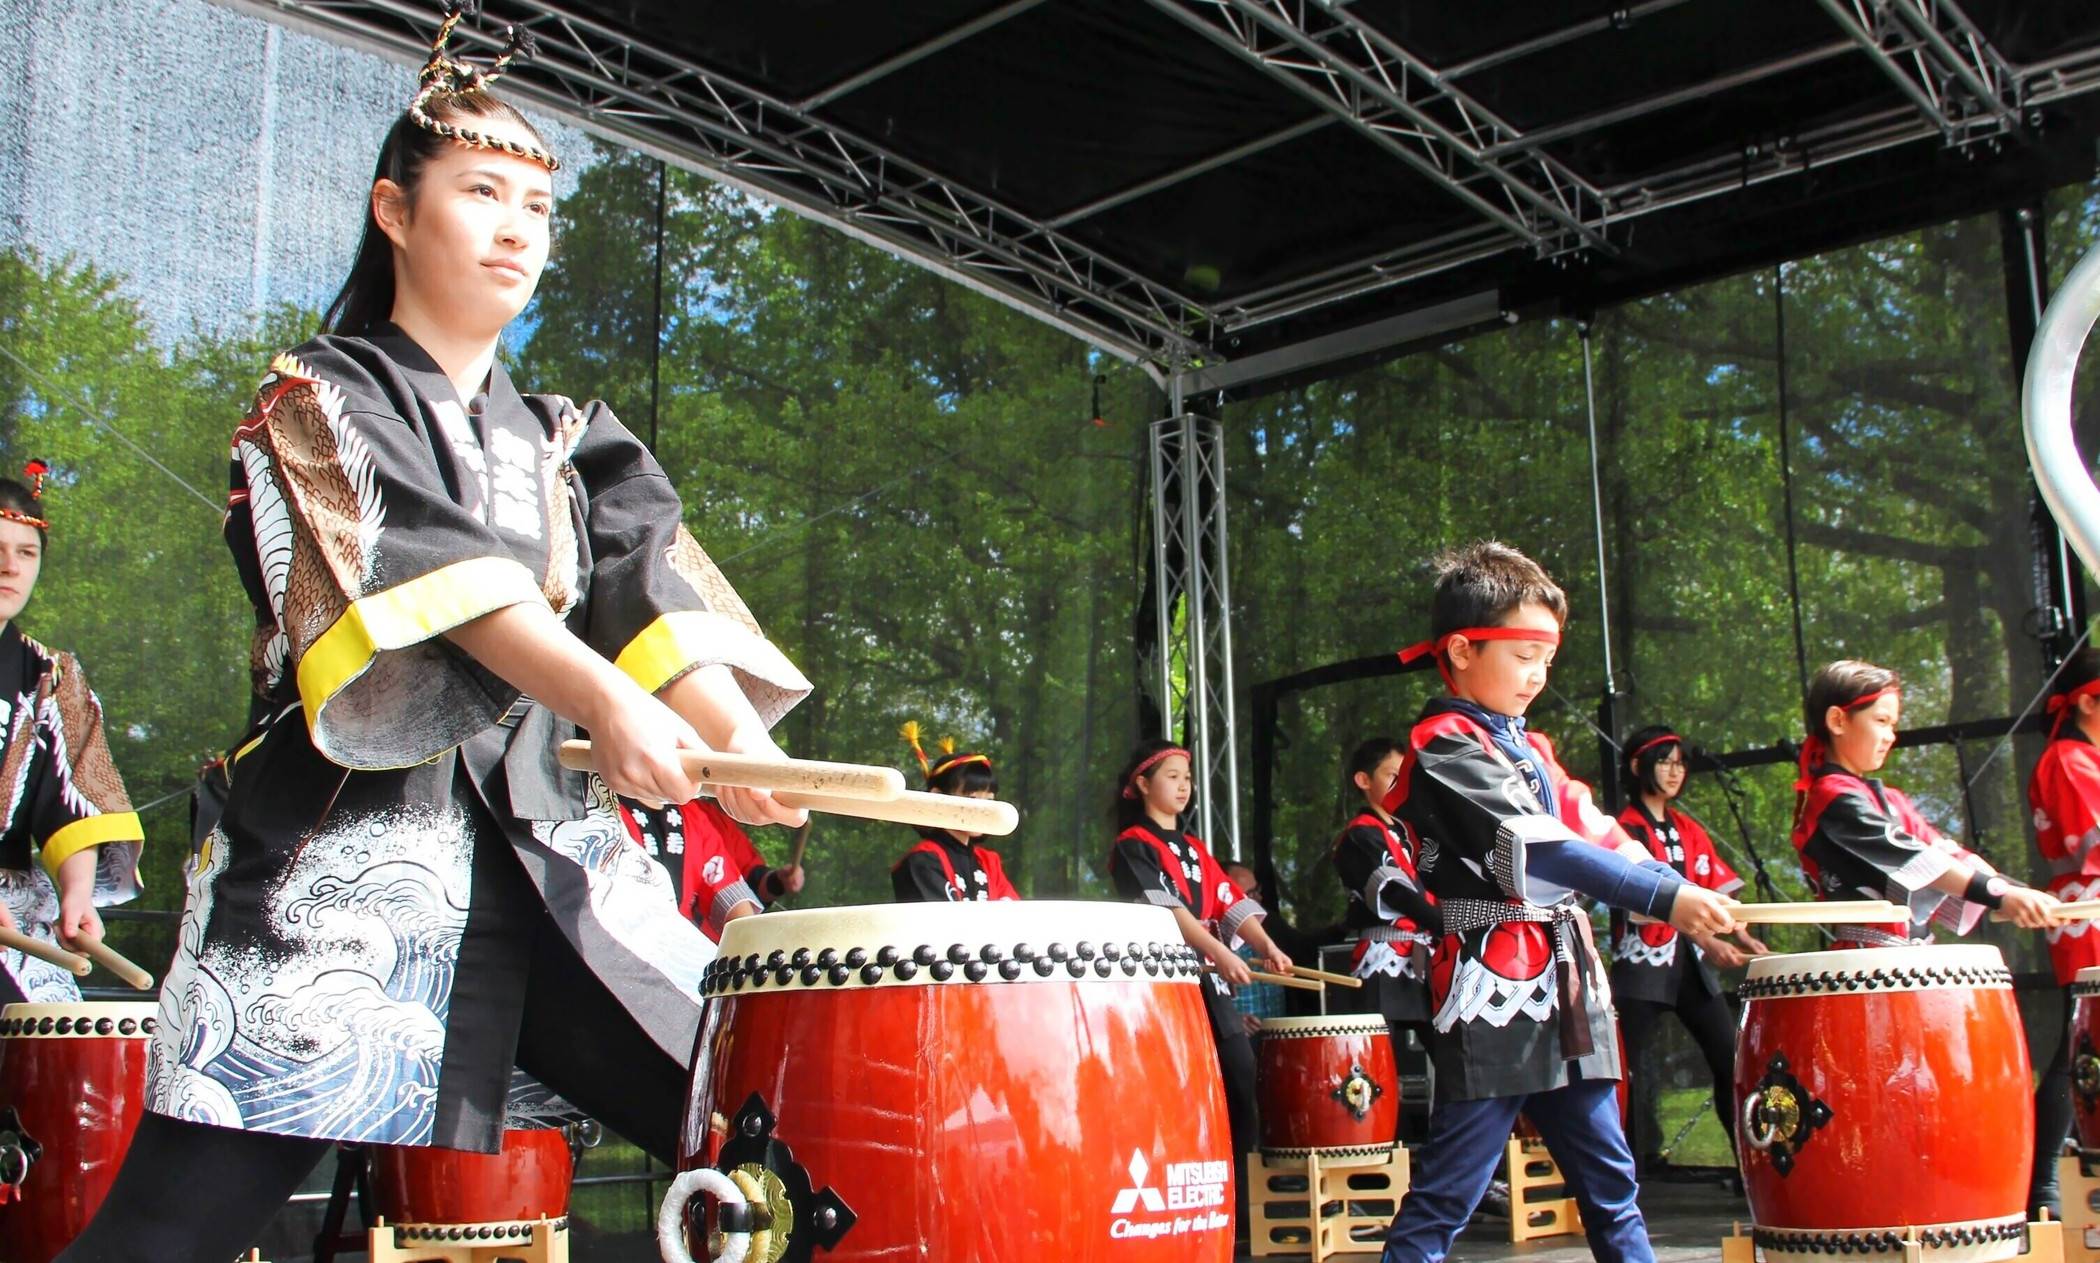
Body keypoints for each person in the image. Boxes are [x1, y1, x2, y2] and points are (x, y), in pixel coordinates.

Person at [59, 16, 811, 1261]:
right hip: (341, 886)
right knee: (168, 1238)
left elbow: (649, 589)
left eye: (535, 204)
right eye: (481, 193)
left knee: (786, 1140)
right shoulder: (310, 398)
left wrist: (736, 747)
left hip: (563, 881)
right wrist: (604, 702)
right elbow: (429, 575)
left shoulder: (572, 439)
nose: (518, 226)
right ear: (395, 213)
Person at [1377, 541, 1740, 1263]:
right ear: (1460, 649)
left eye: (1547, 657)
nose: (1539, 675)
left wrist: (1688, 897)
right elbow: (1543, 850)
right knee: (1452, 1186)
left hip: (1566, 983)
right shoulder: (1444, 744)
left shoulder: (1530, 746)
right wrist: (1668, 897)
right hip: (1493, 985)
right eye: (1523, 655)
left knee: (1611, 1181)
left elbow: (1601, 831)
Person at [1108, 739, 1292, 1243]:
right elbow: (1170, 912)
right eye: (1171, 776)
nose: (1184, 785)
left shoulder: (1193, 849)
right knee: (1191, 1088)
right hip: (1168, 983)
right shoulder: (1133, 845)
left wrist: (1267, 947)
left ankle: (1241, 1210)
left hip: (1206, 977)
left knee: (1240, 1078)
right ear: (1142, 784)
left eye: (1187, 777)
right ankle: (1198, 1208)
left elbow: (1231, 902)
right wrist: (1223, 953)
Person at [0, 462, 145, 1003]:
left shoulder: (50, 676)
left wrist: (77, 893)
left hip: (11, 905)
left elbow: (74, 799)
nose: (10, 568)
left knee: (54, 1052)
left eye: (26, 552)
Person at [1790, 660, 2058, 947]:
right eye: (1881, 722)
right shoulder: (1832, 797)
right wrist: (1998, 894)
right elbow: (1916, 858)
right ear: (1838, 721)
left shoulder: (1889, 798)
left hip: (1911, 957)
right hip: (1866, 960)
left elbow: (1946, 854)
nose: (1890, 737)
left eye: (1893, 725)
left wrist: (2018, 893)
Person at [1609, 725, 1765, 1169]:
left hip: (1689, 967)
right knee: (1625, 1071)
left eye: (1680, 763)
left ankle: (1750, 1168)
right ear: (1639, 767)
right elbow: (1642, 898)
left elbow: (1714, 888)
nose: (1675, 772)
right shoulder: (1624, 829)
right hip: (1642, 964)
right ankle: (1617, 1175)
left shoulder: (1687, 828)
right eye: (1665, 762)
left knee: (1729, 1059)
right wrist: (1708, 939)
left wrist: (1743, 932)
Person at [2019, 646, 2100, 1218]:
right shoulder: (2069, 760)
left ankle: (2050, 1178)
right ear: (2089, 702)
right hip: (2088, 912)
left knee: (2087, 1048)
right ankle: (2043, 1179)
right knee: (2083, 1049)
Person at [1330, 737, 1441, 1056]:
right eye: (1393, 775)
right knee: (1378, 1057)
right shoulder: (1360, 835)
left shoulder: (1410, 832)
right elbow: (1394, 890)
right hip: (1385, 952)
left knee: (1450, 1054)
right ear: (1364, 780)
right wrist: (1442, 923)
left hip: (1424, 950)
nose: (1401, 784)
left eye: (1405, 776)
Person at [619, 796, 805, 940]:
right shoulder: (598, 794)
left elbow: (731, 891)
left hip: (676, 952)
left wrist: (754, 947)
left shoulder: (696, 817)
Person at [892, 722, 1017, 902]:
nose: (983, 809)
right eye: (972, 798)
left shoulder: (989, 861)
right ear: (938, 797)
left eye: (989, 800)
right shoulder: (923, 860)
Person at [1224, 862, 1289, 1034]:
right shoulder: (1212, 942)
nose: (1258, 898)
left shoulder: (1269, 926)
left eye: (1257, 890)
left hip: (1276, 1037)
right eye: (1249, 894)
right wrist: (1231, 1021)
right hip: (1238, 1040)